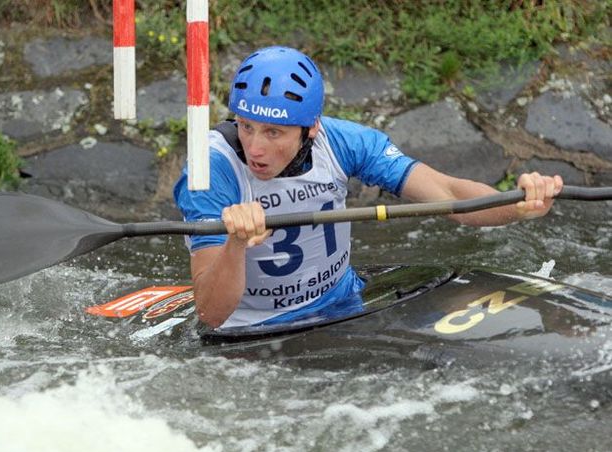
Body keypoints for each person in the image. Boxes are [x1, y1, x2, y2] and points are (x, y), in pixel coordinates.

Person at [173, 46, 563, 329]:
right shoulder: (210, 171)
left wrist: (518, 204)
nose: (256, 147)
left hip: (344, 302)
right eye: (246, 127)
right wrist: (236, 243)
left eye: (274, 132)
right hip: (252, 329)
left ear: (311, 129)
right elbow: (210, 313)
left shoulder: (344, 143)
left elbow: (448, 196)